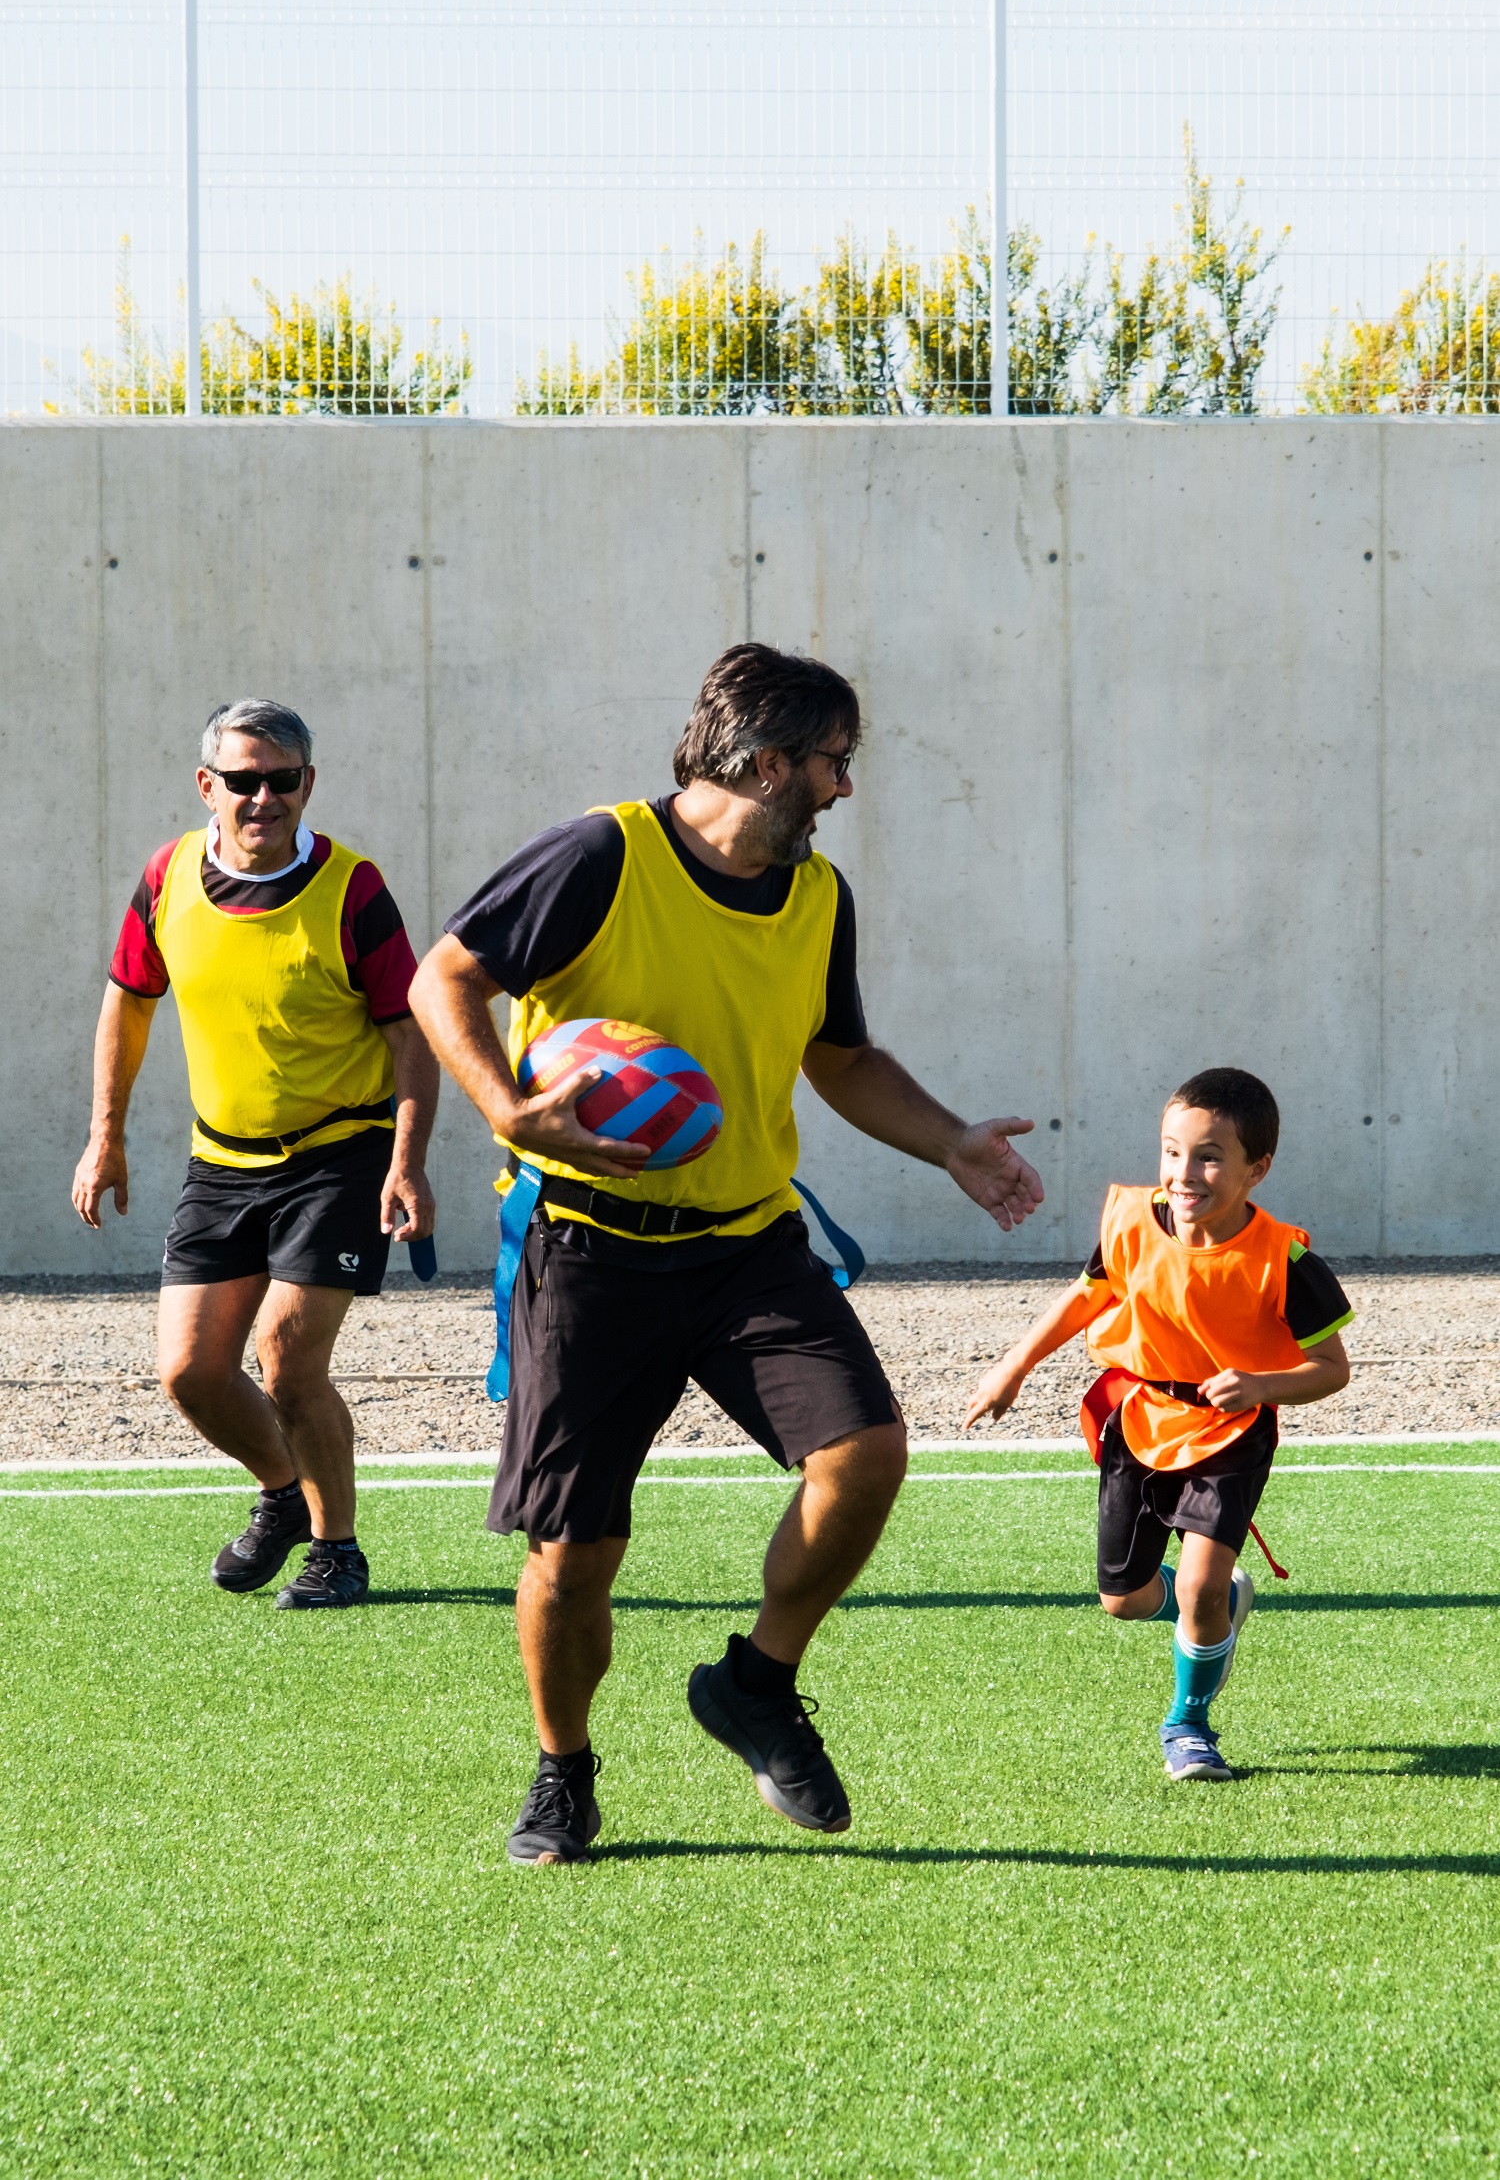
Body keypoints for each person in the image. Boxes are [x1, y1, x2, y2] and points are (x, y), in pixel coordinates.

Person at [410, 641, 1046, 1864]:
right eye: (833, 763)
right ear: (767, 762)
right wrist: (503, 1107)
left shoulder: (819, 899)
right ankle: (564, 1770)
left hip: (751, 1247)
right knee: (576, 1554)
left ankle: (755, 1683)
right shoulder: (601, 855)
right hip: (588, 1254)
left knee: (865, 1455)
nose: (845, 789)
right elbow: (448, 977)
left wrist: (953, 1141)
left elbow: (842, 1058)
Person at [71, 698, 439, 1610]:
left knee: (284, 1353)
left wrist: (407, 1158)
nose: (263, 797)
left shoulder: (352, 888)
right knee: (191, 1373)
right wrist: (105, 1136)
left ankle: (335, 1548)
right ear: (210, 785)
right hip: (221, 1159)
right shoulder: (168, 876)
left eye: (282, 781)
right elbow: (127, 996)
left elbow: (412, 1032)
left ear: (307, 784)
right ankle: (282, 1491)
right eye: (243, 781)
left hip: (339, 1152)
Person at [964, 1066, 1354, 1782]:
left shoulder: (1286, 1261)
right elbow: (1085, 1300)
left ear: (1256, 1170)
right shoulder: (1130, 1222)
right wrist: (1013, 1366)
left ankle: (1188, 1724)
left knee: (1200, 1589)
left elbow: (1332, 1367)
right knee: (1124, 1600)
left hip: (1230, 1434)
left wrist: (1261, 1385)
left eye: (1209, 1156)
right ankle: (1218, 1600)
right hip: (1139, 1418)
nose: (1184, 1172)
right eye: (1172, 1151)